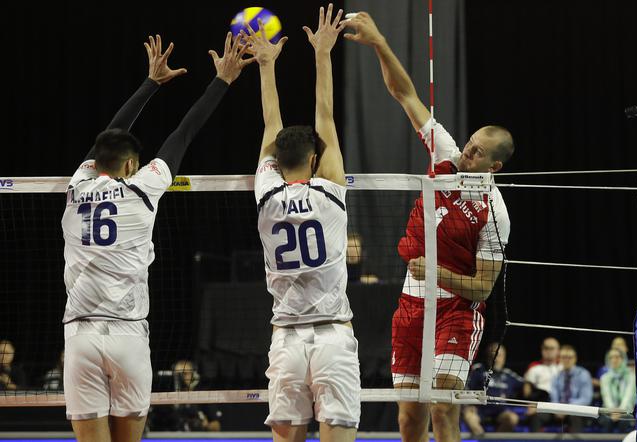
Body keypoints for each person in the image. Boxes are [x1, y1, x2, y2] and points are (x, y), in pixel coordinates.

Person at [61, 34, 253, 442]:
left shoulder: (77, 188)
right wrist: (222, 80)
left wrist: (150, 83)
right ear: (133, 163)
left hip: (80, 334)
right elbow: (183, 133)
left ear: (96, 162)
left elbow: (110, 136)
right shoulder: (142, 188)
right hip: (128, 334)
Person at [344, 12, 513, 442]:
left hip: (456, 313)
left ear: (492, 166)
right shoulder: (445, 159)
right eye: (468, 144)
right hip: (411, 305)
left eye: (475, 153)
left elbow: (482, 289)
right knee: (408, 418)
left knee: (442, 408)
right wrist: (380, 42)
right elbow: (405, 94)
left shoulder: (494, 212)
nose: (464, 154)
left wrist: (436, 271)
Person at [249, 5, 361, 442]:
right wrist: (322, 54)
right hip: (333, 335)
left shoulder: (266, 194)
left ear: (275, 161)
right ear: (314, 160)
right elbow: (326, 117)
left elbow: (269, 123)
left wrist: (265, 64)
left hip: (287, 340)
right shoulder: (330, 191)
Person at [528, 345, 593, 433]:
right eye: (564, 357)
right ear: (560, 359)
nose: (566, 360)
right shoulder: (556, 376)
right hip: (559, 410)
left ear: (575, 359)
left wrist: (567, 408)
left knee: (575, 416)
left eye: (569, 357)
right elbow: (554, 398)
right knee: (537, 416)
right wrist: (557, 409)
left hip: (576, 410)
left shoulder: (583, 374)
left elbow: (585, 399)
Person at [463, 343, 523, 435]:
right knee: (469, 416)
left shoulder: (509, 375)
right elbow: (466, 388)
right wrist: (468, 405)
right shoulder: (478, 369)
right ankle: (480, 438)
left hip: (500, 411)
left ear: (504, 358)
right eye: (492, 355)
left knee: (512, 418)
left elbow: (525, 385)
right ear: (487, 356)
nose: (495, 358)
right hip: (480, 409)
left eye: (499, 355)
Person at [148, 360, 222, 431]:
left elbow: (217, 426)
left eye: (185, 373)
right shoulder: (164, 398)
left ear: (193, 375)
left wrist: (203, 425)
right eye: (177, 375)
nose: (181, 378)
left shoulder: (203, 395)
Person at [598, 348, 636, 432]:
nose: (614, 360)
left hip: (627, 410)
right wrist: (613, 411)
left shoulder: (631, 376)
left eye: (617, 357)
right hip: (608, 411)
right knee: (606, 421)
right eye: (611, 357)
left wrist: (620, 411)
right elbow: (606, 397)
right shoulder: (604, 378)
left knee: (624, 421)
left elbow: (628, 396)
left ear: (623, 358)